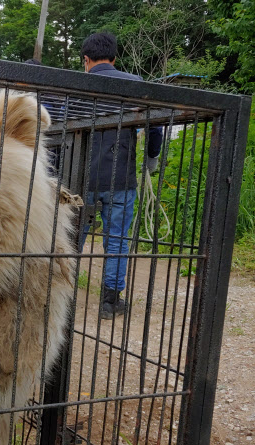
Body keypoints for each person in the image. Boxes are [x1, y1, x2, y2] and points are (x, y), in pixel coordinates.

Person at [80, 32, 163, 319]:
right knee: (117, 239)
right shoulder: (135, 85)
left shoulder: (77, 85)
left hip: (81, 179)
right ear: (115, 59)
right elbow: (155, 126)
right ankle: (110, 301)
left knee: (70, 238)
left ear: (86, 61)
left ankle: (55, 295)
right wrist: (151, 159)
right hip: (121, 177)